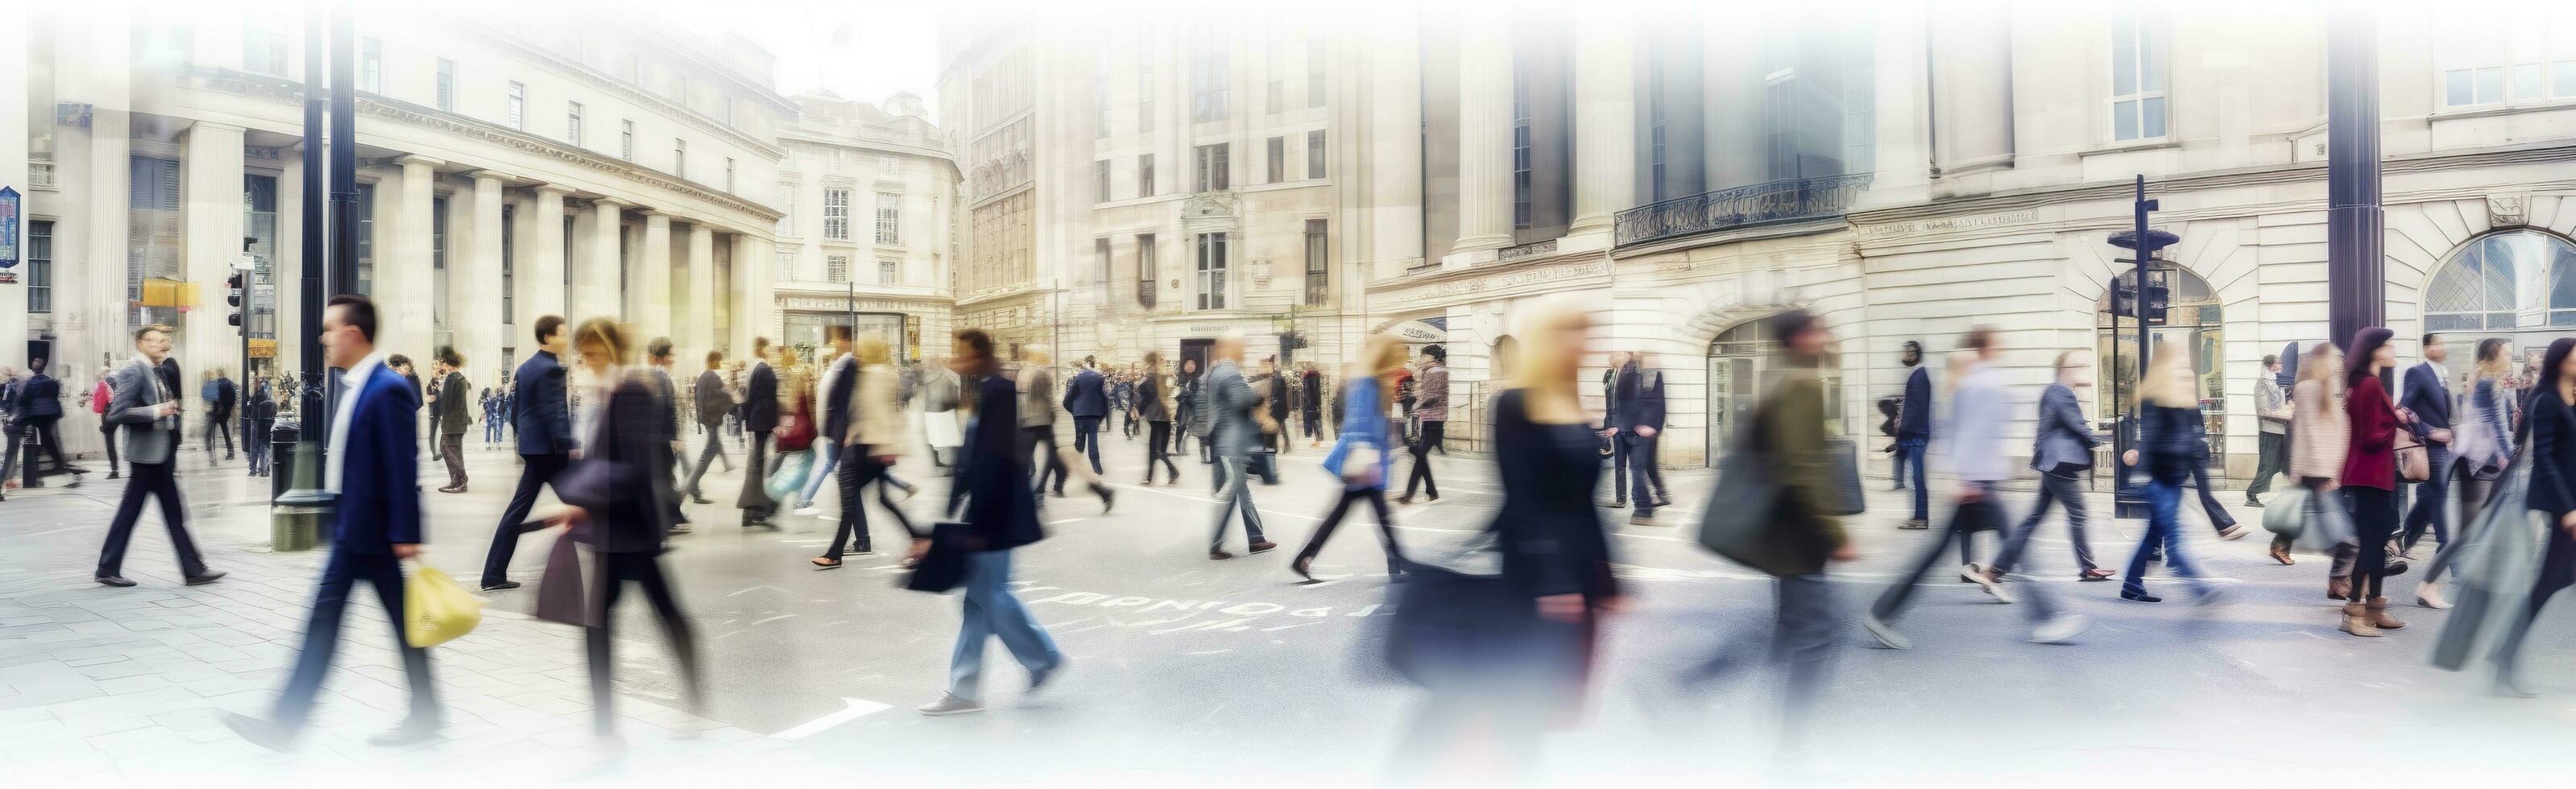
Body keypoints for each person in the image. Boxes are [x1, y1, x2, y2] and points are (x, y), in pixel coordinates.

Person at [1389, 299, 1617, 781]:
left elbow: (1584, 501)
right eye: (1573, 333)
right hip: (1534, 575)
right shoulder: (1516, 404)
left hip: (1574, 577)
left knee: (1524, 692)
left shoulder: (1572, 403)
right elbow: (1525, 498)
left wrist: (1607, 574)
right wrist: (1554, 581)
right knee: (1508, 690)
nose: (1584, 343)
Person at [220, 294, 441, 751]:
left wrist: (406, 533)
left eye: (329, 328)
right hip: (355, 529)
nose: (323, 337)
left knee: (341, 625)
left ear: (353, 333)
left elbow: (403, 465)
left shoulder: (388, 389)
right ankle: (425, 712)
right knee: (378, 626)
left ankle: (286, 724)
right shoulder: (356, 384)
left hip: (373, 534)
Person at [1677, 309, 1852, 758]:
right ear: (1801, 338)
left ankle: (1695, 683)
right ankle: (1789, 756)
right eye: (1818, 330)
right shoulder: (1800, 386)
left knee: (1793, 631)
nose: (1826, 336)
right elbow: (1803, 467)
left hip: (1784, 531)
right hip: (1800, 534)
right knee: (1815, 637)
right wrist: (1836, 534)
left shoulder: (1776, 379)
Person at [534, 318, 707, 749]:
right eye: (585, 354)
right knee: (606, 623)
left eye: (595, 353)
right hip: (612, 527)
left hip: (634, 529)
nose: (588, 361)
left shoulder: (631, 393)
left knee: (663, 615)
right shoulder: (604, 394)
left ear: (613, 352)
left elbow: (632, 470)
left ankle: (685, 706)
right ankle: (606, 722)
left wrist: (580, 501)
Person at [1865, 328, 2088, 647]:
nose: (2002, 348)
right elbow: (1969, 433)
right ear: (1984, 348)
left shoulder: (1973, 383)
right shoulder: (1983, 383)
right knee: (2011, 543)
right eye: (1997, 343)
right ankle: (2048, 618)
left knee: (1937, 552)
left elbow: (1956, 431)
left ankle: (1883, 612)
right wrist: (1965, 480)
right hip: (1978, 482)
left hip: (1976, 480)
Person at [918, 329, 1067, 717]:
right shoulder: (987, 390)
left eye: (963, 353)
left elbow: (995, 460)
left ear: (981, 356)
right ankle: (966, 689)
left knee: (992, 597)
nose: (957, 360)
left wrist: (974, 521)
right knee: (979, 601)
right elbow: (975, 456)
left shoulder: (998, 391)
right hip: (989, 512)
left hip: (994, 514)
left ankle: (1041, 659)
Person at [96, 325, 224, 588]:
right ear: (139, 343)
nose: (160, 345)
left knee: (168, 512)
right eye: (152, 341)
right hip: (146, 457)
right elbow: (117, 414)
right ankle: (190, 569)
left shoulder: (156, 370)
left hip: (158, 455)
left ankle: (192, 569)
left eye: (162, 340)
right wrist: (158, 411)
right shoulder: (134, 370)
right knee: (140, 512)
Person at [2489, 337, 2576, 697]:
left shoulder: (2570, 397)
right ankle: (2505, 658)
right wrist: (2568, 510)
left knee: (2553, 582)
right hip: (2563, 507)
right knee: (2547, 584)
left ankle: (2503, 654)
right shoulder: (2546, 401)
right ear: (2561, 361)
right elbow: (2546, 461)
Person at [1990, 350, 2114, 583]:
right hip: (2061, 465)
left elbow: (2049, 429)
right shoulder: (2060, 391)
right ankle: (2088, 567)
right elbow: (2077, 425)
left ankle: (1998, 567)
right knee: (2078, 513)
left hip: (2052, 464)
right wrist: (2102, 441)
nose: (2081, 372)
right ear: (2064, 371)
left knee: (2034, 518)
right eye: (2077, 368)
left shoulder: (2053, 392)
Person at [1293, 335, 1410, 582]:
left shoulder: (1370, 380)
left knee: (1350, 512)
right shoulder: (1368, 382)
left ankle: (1305, 557)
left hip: (1367, 458)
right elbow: (1359, 422)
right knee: (1373, 512)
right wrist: (1367, 456)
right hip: (1366, 460)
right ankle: (1399, 563)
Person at [2116, 341, 2222, 605]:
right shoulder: (2158, 399)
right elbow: (2152, 442)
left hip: (2173, 480)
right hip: (2161, 481)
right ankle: (2199, 587)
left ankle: (2131, 584)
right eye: (2180, 360)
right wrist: (2141, 475)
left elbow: (2194, 441)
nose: (2186, 365)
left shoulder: (2181, 397)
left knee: (2153, 535)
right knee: (2173, 541)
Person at [478, 316, 575, 592]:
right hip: (551, 453)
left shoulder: (525, 368)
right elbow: (555, 412)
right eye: (563, 334)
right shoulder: (551, 370)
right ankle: (621, 559)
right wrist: (569, 445)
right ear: (548, 337)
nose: (567, 339)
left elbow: (516, 412)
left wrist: (523, 442)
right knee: (586, 505)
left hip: (535, 451)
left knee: (517, 512)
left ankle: (493, 574)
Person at [2417, 337, 2513, 609]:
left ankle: (2472, 584)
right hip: (2481, 463)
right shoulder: (2486, 383)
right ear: (2492, 356)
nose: (2509, 357)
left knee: (2480, 529)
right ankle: (2430, 585)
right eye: (2506, 353)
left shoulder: (2481, 380)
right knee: (2468, 532)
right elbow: (2495, 424)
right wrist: (2509, 455)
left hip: (2478, 461)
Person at [816, 333, 921, 566]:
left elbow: (870, 411)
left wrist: (853, 433)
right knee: (880, 499)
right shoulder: (887, 373)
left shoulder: (870, 376)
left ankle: (835, 553)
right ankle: (919, 537)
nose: (857, 356)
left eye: (861, 351)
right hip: (878, 445)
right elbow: (891, 411)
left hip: (867, 445)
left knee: (849, 496)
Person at [2338, 328, 2410, 634]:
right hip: (2368, 474)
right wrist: (2397, 422)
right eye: (2388, 346)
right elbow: (2369, 436)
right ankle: (2353, 613)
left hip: (2373, 474)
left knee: (2378, 542)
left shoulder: (2367, 383)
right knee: (2371, 545)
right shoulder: (2368, 385)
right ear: (2374, 351)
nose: (2393, 351)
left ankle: (2375, 608)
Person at [2277, 343, 2350, 569]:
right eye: (2335, 358)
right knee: (2339, 535)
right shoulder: (2309, 388)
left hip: (2326, 466)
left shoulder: (2329, 386)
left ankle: (2281, 542)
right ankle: (2342, 576)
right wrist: (2322, 469)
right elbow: (2305, 432)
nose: (2339, 362)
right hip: (2318, 467)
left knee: (2317, 518)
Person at [1203, 335, 1277, 559]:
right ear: (1232, 349)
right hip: (1230, 442)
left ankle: (1256, 539)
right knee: (1230, 492)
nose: (1244, 351)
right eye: (1242, 348)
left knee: (1241, 489)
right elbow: (1241, 400)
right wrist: (1260, 394)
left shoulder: (1215, 372)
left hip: (1221, 440)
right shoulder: (1230, 372)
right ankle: (1216, 543)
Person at [2401, 333, 2456, 555]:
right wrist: (2429, 431)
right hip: (2431, 445)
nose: (2443, 348)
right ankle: (2445, 542)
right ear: (2426, 348)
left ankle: (2407, 535)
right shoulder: (2417, 373)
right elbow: (2405, 408)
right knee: (2440, 490)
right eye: (2438, 344)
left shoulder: (2443, 373)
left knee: (2429, 494)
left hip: (2445, 445)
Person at [796, 328, 859, 515]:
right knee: (831, 465)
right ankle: (805, 498)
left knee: (831, 465)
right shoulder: (844, 366)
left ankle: (805, 498)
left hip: (834, 428)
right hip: (839, 429)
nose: (835, 345)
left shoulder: (836, 368)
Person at [1616, 350, 1671, 524]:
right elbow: (1653, 401)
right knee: (1640, 468)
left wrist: (1651, 425)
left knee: (1637, 468)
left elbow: (1653, 401)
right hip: (1632, 428)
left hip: (1634, 428)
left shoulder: (1638, 371)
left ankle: (1643, 508)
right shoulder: (1634, 372)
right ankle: (1644, 508)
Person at [13, 359, 83, 490]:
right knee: (48, 440)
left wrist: (22, 416)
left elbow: (25, 400)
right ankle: (56, 466)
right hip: (51, 414)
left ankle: (54, 467)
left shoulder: (31, 383)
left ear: (34, 369)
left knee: (44, 441)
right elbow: (56, 394)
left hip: (38, 415)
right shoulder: (51, 381)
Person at [737, 337, 783, 527]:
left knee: (758, 464)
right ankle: (754, 509)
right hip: (763, 422)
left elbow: (748, 399)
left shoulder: (755, 369)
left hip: (758, 422)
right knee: (758, 466)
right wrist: (775, 423)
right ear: (762, 348)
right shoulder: (765, 369)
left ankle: (755, 509)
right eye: (769, 347)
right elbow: (769, 400)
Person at [1396, 345, 1447, 506]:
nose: (1420, 357)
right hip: (1428, 418)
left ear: (1431, 356)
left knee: (1419, 454)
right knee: (1418, 453)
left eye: (1423, 355)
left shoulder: (1436, 371)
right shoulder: (1428, 370)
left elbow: (1433, 396)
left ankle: (1409, 495)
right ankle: (1431, 491)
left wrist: (1416, 406)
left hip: (1434, 419)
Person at [684, 350, 735, 502]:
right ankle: (690, 487)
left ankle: (694, 489)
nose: (719, 364)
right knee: (708, 454)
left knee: (713, 446)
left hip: (708, 420)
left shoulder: (703, 377)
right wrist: (728, 395)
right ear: (713, 361)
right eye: (718, 361)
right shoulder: (712, 377)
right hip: (712, 420)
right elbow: (718, 397)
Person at [1894, 340, 1932, 529]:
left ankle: (1920, 518)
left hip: (1916, 435)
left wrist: (1902, 430)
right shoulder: (1917, 375)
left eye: (1909, 353)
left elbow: (1917, 409)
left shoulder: (1919, 376)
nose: (1905, 356)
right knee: (1915, 478)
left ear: (1916, 354)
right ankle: (1919, 517)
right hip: (1915, 434)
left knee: (1917, 478)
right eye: (1905, 353)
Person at [2251, 354, 2293, 507]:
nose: (2281, 364)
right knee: (2269, 465)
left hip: (2278, 429)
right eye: (2277, 362)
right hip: (2269, 430)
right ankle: (2253, 493)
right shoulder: (2263, 384)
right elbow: (2264, 410)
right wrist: (2286, 414)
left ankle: (2258, 493)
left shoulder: (2272, 382)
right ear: (2269, 365)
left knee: (2278, 465)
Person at [1136, 352, 1182, 485]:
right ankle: (1172, 472)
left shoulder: (1153, 376)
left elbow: (1146, 392)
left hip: (1157, 416)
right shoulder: (1165, 376)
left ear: (1150, 363)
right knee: (1161, 450)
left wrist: (1140, 411)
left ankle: (1151, 477)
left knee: (1154, 450)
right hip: (1165, 416)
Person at [433, 348, 472, 493]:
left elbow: (446, 402)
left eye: (442, 362)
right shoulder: (460, 378)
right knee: (454, 450)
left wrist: (437, 396)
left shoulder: (452, 378)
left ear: (448, 363)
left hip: (452, 420)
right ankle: (457, 481)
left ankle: (461, 480)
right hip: (459, 420)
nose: (441, 365)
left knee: (446, 448)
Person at [1064, 354, 1111, 476]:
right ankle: (1097, 468)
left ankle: (1075, 467)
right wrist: (1103, 415)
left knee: (1080, 441)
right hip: (1093, 415)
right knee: (1093, 440)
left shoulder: (1078, 378)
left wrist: (1073, 411)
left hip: (1079, 414)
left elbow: (1068, 398)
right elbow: (1104, 398)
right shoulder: (1099, 378)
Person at [1598, 351, 1630, 508]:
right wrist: (1608, 425)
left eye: (1613, 356)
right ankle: (1621, 499)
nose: (1609, 359)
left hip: (1628, 427)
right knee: (1619, 464)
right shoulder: (1609, 374)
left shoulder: (1631, 374)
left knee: (1639, 466)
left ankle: (1644, 500)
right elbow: (1608, 402)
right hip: (1614, 425)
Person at [1176, 357, 1207, 464]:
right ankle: (1179, 449)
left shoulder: (1198, 379)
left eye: (1192, 364)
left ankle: (1204, 456)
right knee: (1182, 429)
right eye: (1188, 364)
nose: (1190, 366)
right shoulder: (1179, 378)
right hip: (1183, 409)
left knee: (1199, 432)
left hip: (1194, 408)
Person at [204, 366, 238, 461]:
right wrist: (228, 409)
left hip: (218, 412)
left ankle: (211, 452)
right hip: (225, 412)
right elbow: (232, 399)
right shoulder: (228, 384)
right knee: (225, 431)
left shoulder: (217, 384)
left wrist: (215, 410)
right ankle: (231, 451)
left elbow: (213, 398)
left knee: (210, 432)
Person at [246, 380, 277, 477]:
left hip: (256, 422)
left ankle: (253, 469)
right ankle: (264, 469)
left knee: (254, 446)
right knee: (263, 446)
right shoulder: (266, 396)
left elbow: (250, 410)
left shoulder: (254, 397)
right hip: (265, 423)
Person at [1302, 362, 1326, 448]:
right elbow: (1316, 391)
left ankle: (1315, 441)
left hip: (1310, 403)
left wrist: (1309, 402)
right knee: (1316, 422)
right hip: (1314, 403)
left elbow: (1309, 391)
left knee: (1312, 422)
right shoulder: (1315, 376)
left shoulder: (1308, 376)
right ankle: (1317, 440)